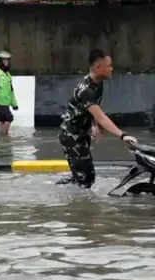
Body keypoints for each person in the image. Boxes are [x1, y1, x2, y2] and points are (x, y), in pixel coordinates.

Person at [57, 49, 137, 188]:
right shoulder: (86, 90)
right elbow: (101, 117)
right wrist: (122, 135)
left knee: (84, 175)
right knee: (86, 178)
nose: (112, 69)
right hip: (71, 135)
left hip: (81, 133)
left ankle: (65, 190)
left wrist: (94, 126)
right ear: (98, 67)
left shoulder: (98, 84)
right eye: (109, 65)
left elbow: (93, 110)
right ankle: (66, 198)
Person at [0, 51, 18, 135]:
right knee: (9, 118)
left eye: (7, 60)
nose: (6, 62)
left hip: (6, 103)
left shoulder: (7, 74)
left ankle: (1, 141)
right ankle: (2, 138)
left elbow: (11, 90)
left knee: (2, 122)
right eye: (4, 60)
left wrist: (14, 103)